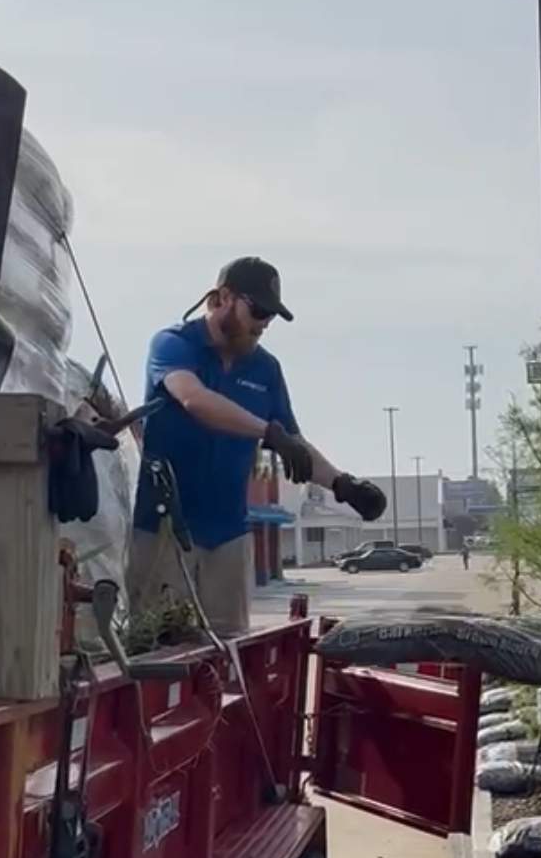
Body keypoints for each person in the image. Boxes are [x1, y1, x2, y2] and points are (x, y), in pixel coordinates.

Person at [130, 257, 385, 635]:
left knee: (229, 656)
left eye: (272, 316)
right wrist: (268, 432)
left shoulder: (266, 370)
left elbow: (294, 443)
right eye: (259, 310)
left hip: (229, 535)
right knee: (159, 653)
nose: (265, 323)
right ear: (224, 298)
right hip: (165, 530)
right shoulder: (174, 344)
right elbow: (194, 399)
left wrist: (343, 485)